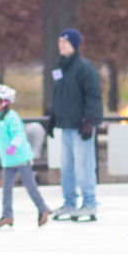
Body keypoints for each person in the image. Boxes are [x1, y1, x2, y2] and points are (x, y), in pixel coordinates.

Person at [45, 28, 103, 221]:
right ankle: (69, 203)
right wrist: (53, 116)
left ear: (75, 44)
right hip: (66, 125)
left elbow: (94, 95)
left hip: (80, 127)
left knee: (84, 165)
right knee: (67, 166)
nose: (61, 45)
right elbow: (59, 95)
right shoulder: (59, 67)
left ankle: (89, 203)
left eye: (65, 42)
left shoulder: (85, 68)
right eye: (60, 41)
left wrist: (89, 120)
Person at [0, 84, 50, 229]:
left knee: (30, 185)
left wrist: (14, 146)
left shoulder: (11, 117)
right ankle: (7, 215)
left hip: (20, 158)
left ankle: (43, 208)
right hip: (8, 160)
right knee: (7, 188)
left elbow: (19, 134)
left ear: (4, 103)